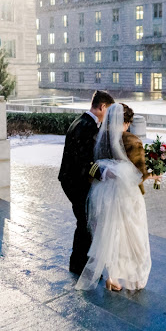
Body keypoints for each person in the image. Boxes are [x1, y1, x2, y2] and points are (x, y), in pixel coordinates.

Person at [75, 103, 159, 291]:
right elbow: (139, 174)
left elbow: (89, 166)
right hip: (126, 196)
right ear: (126, 122)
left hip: (102, 193)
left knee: (109, 236)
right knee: (133, 236)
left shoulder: (98, 138)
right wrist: (155, 174)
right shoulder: (132, 141)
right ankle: (135, 278)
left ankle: (112, 277)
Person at [59, 90, 115, 275]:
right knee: (85, 223)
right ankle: (79, 266)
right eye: (109, 110)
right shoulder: (87, 126)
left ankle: (78, 264)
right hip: (76, 181)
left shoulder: (82, 121)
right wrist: (104, 173)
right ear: (103, 107)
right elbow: (84, 161)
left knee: (84, 222)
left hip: (71, 179)